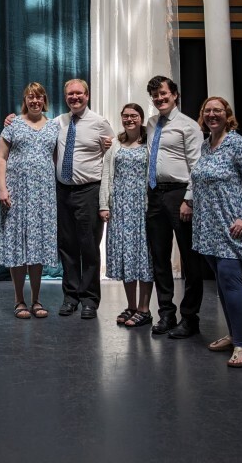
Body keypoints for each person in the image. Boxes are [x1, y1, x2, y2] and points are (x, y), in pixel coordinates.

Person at [191, 96, 242, 368]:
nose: (212, 115)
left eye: (217, 111)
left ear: (227, 115)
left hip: (232, 225)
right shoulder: (205, 145)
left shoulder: (237, 143)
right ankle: (234, 335)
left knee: (231, 281)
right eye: (207, 111)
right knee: (221, 283)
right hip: (208, 227)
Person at [145, 75, 204, 338]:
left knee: (191, 261)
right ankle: (166, 314)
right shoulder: (151, 123)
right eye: (155, 95)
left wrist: (189, 199)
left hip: (180, 194)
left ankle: (190, 318)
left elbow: (197, 166)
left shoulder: (188, 126)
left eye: (164, 94)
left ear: (175, 94)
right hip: (155, 194)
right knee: (159, 258)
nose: (159, 99)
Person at [0, 82, 59, 319]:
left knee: (37, 245)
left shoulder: (54, 127)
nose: (35, 101)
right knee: (17, 245)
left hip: (42, 195)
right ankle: (19, 300)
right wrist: (2, 188)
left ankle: (36, 299)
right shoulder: (13, 124)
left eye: (39, 97)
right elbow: (1, 158)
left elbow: (55, 159)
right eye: (30, 97)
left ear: (44, 100)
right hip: (16, 193)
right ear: (25, 99)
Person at [55, 79, 114, 319]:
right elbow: (34, 128)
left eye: (79, 93)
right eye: (70, 94)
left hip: (89, 191)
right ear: (66, 96)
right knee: (67, 246)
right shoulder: (58, 121)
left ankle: (90, 299)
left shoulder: (100, 123)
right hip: (62, 191)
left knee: (89, 246)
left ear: (87, 96)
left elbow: (113, 152)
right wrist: (12, 119)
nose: (74, 97)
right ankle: (70, 297)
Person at [99, 103, 153, 327]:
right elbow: (106, 176)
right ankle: (131, 306)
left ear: (141, 118)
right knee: (126, 258)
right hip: (120, 208)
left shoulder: (150, 144)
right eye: (126, 116)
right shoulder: (115, 146)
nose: (130, 119)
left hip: (143, 207)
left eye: (134, 116)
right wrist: (104, 205)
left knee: (144, 257)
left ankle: (145, 308)